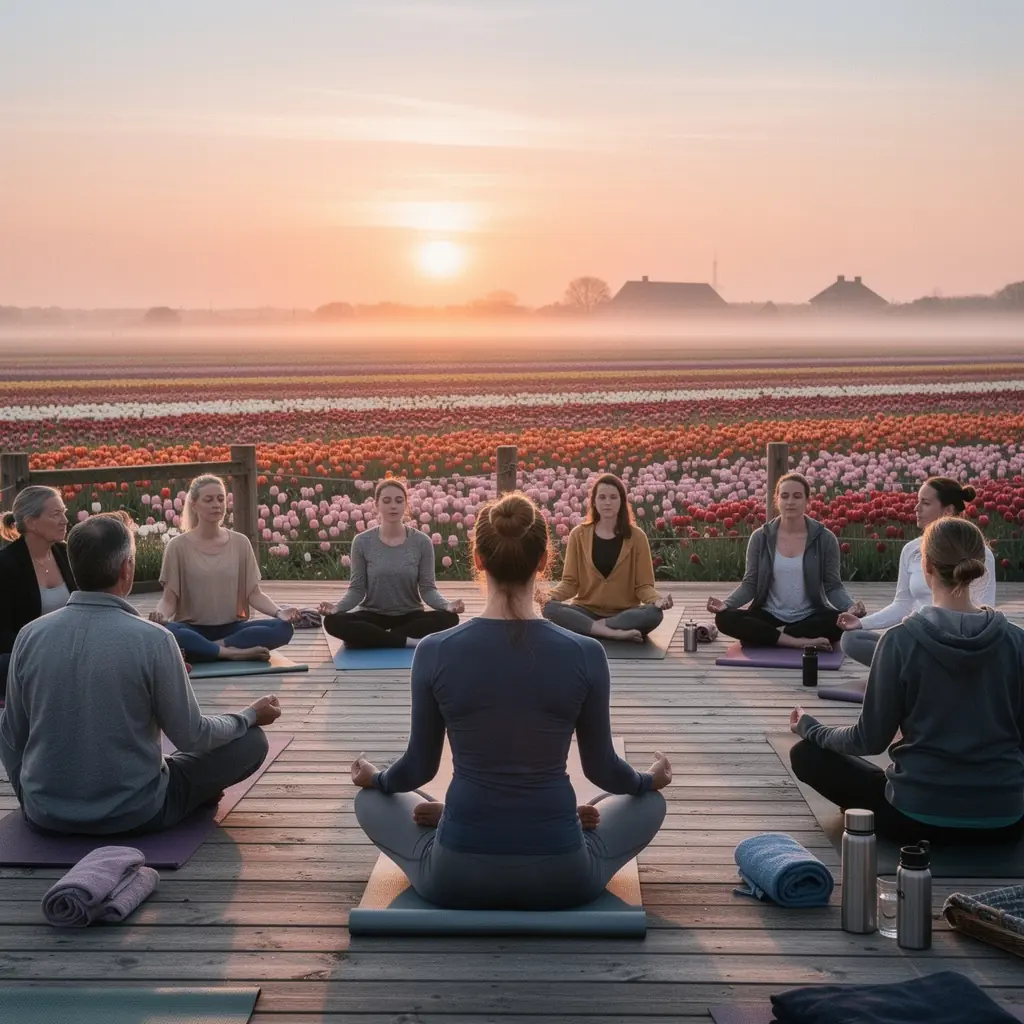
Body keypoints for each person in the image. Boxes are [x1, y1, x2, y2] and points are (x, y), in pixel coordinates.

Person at [350, 491, 670, 910]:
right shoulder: (586, 653)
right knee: (649, 804)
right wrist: (647, 781)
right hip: (563, 876)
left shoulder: (434, 650)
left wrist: (377, 779)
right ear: (544, 561)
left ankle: (454, 816)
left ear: (478, 560)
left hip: (455, 876)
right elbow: (603, 770)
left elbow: (417, 769)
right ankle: (551, 818)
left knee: (370, 800)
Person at [0, 512, 281, 835]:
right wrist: (248, 715)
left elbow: (10, 734)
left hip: (45, 812)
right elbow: (193, 736)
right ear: (126, 568)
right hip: (135, 811)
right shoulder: (155, 639)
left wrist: (30, 797)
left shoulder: (30, 635)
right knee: (251, 741)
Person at [788, 516, 1024, 844]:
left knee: (806, 754)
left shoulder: (900, 641)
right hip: (1006, 820)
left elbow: (868, 741)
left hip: (914, 818)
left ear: (926, 566)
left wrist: (812, 728)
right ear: (978, 567)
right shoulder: (1016, 641)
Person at [839, 477, 997, 668]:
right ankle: (925, 671)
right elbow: (902, 604)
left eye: (925, 503)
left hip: (961, 644)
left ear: (948, 510)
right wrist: (862, 623)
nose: (916, 508)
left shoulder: (978, 552)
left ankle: (912, 672)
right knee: (852, 639)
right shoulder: (911, 550)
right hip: (919, 639)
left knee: (898, 648)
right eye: (918, 501)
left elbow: (985, 608)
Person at [150, 475, 298, 662]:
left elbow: (254, 594)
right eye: (209, 500)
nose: (216, 505)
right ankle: (233, 653)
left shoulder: (240, 543)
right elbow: (169, 599)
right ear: (194, 505)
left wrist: (279, 612)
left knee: (283, 628)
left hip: (232, 630)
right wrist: (160, 617)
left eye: (221, 499)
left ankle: (209, 649)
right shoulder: (177, 546)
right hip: (191, 629)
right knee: (168, 631)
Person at [707, 473, 864, 650]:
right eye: (785, 496)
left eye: (797, 496)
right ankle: (796, 641)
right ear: (777, 500)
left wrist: (850, 607)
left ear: (807, 500)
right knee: (724, 618)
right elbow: (750, 584)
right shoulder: (760, 537)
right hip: (768, 614)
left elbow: (833, 586)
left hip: (810, 616)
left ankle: (769, 636)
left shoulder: (825, 539)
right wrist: (726, 604)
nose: (790, 502)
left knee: (843, 622)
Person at [320, 479, 463, 649]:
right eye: (387, 501)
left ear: (405, 505)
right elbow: (357, 589)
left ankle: (373, 637)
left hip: (410, 616)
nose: (393, 506)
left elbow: (428, 589)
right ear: (377, 505)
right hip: (373, 615)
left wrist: (447, 605)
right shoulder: (362, 541)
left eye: (399, 501)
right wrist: (337, 608)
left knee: (450, 618)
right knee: (332, 622)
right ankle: (403, 640)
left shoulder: (422, 542)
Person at [542, 473, 673, 643]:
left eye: (613, 497)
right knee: (549, 608)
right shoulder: (578, 535)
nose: (607, 502)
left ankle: (595, 628)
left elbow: (643, 586)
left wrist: (657, 600)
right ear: (594, 502)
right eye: (602, 497)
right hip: (586, 610)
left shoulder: (637, 537)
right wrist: (549, 595)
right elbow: (570, 583)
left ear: (622, 501)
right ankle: (612, 633)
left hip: (624, 613)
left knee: (654, 614)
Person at [0, 486, 77, 697]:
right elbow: (2, 633)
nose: (64, 520)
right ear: (31, 522)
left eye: (64, 512)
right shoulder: (6, 565)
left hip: (73, 653)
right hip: (28, 662)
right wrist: (44, 649)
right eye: (55, 514)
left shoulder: (67, 554)